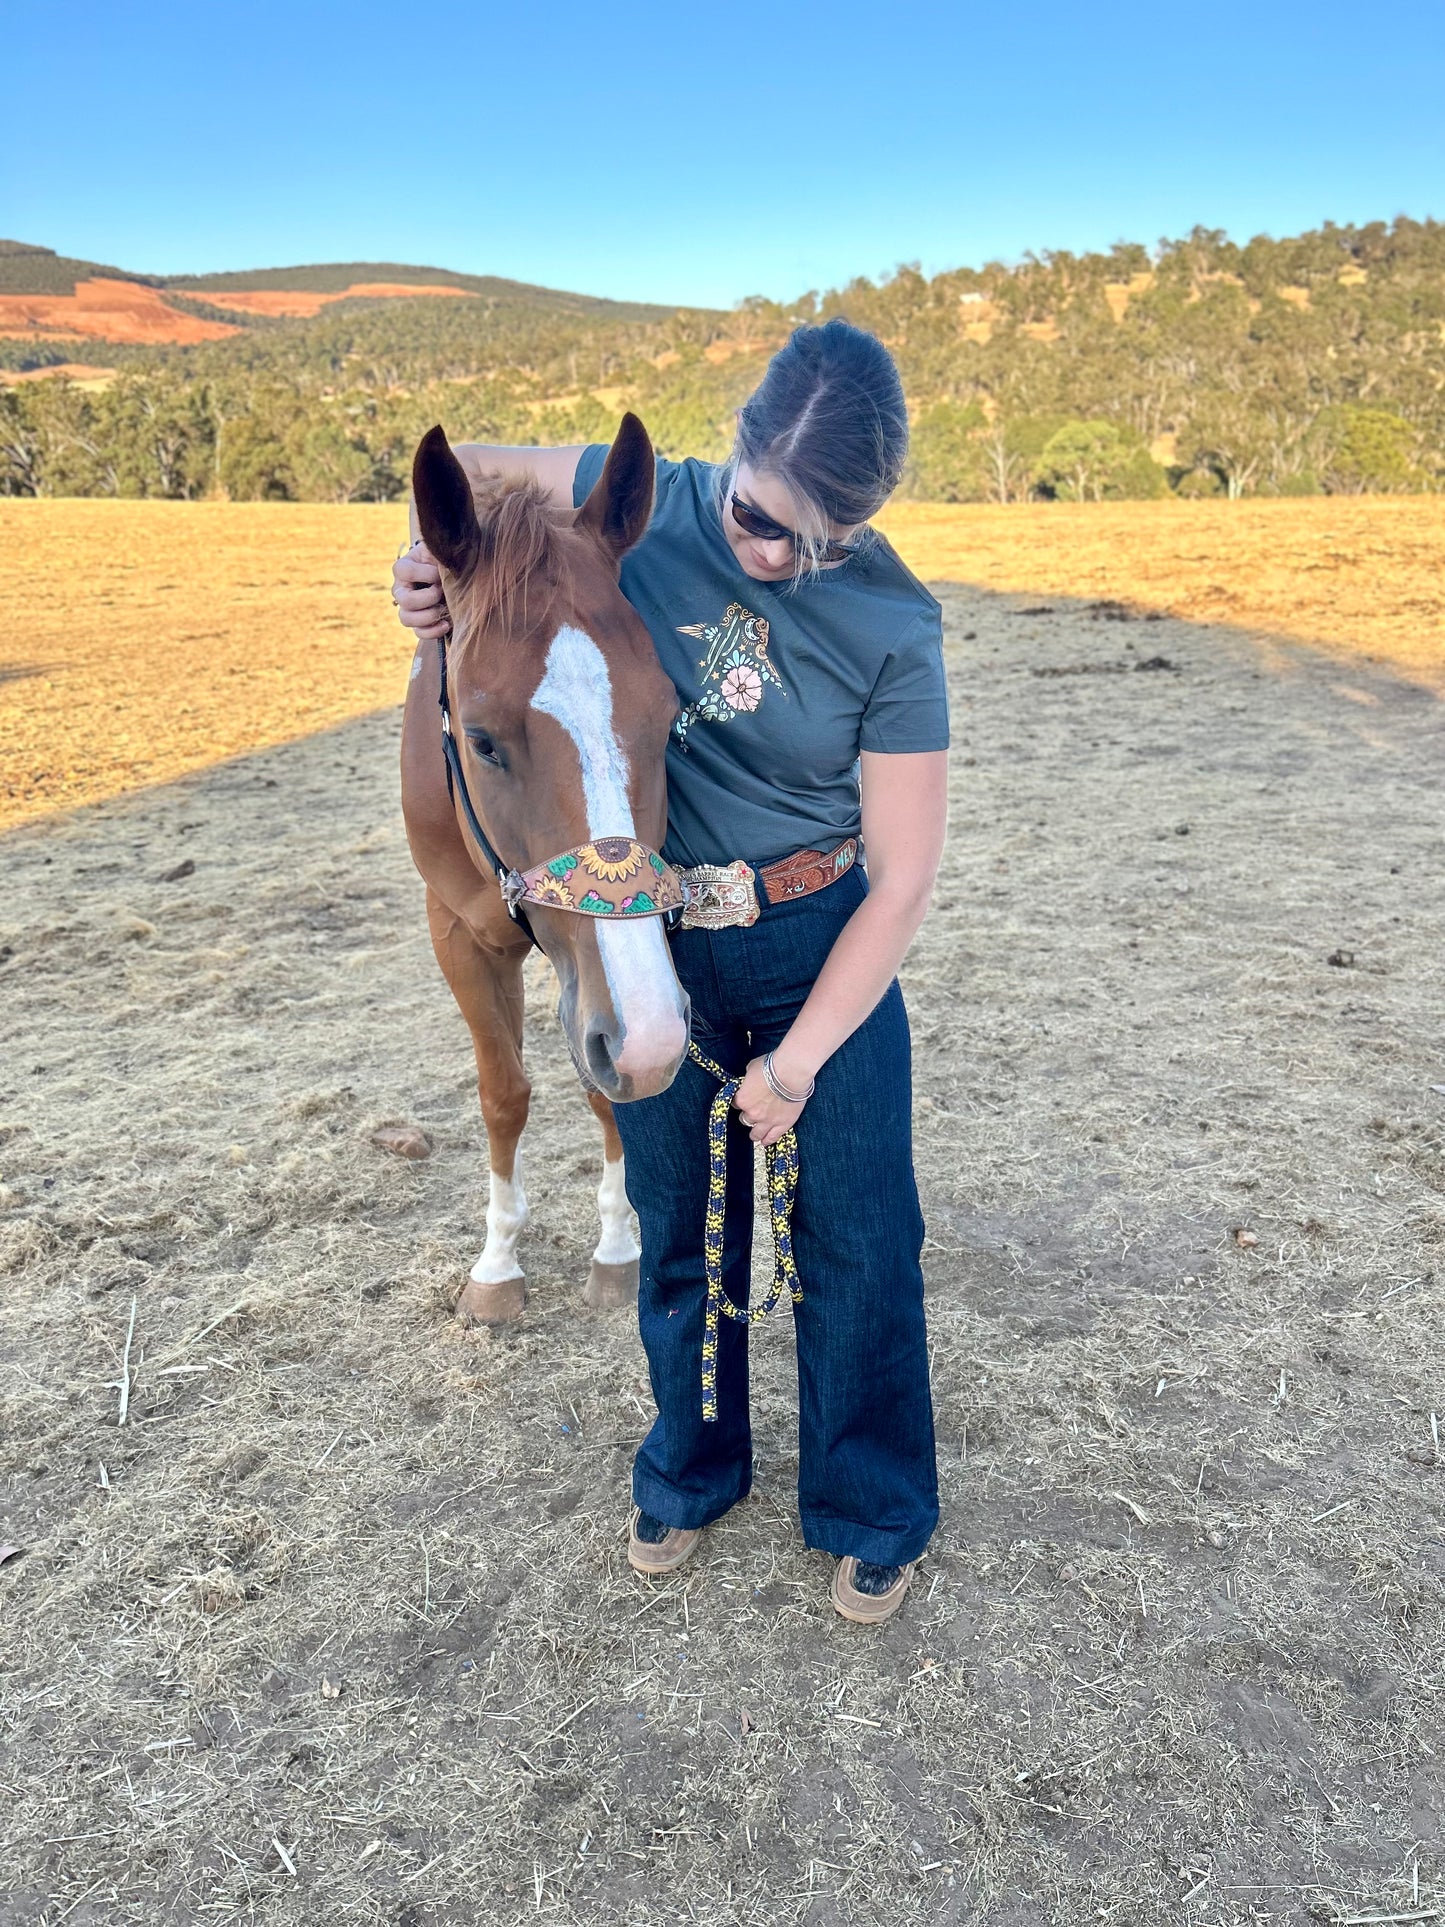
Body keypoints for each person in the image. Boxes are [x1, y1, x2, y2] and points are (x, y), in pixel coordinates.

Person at [393, 319, 949, 1625]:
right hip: (659, 931)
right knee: (679, 1233)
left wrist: (802, 1059)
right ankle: (691, 1470)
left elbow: (907, 871)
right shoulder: (664, 499)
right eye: (760, 522)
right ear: (734, 456)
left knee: (859, 1239)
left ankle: (871, 1503)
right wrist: (425, 569)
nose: (775, 561)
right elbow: (456, 467)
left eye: (821, 542)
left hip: (822, 932)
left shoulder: (893, 624)